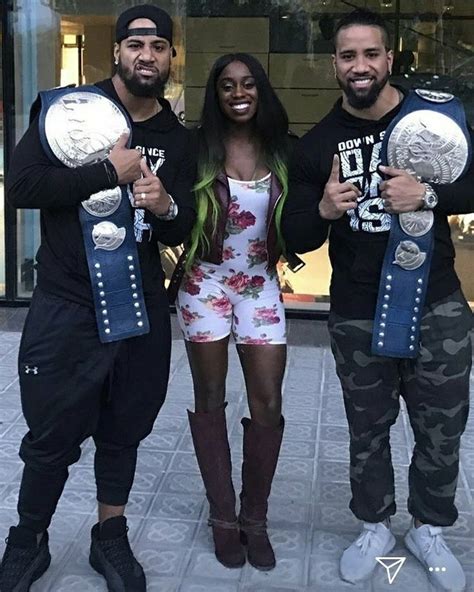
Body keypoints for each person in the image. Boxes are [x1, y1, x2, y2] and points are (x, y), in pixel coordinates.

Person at [0, 4, 195, 592]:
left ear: (169, 58)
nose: (147, 55)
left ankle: (109, 536)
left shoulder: (177, 138)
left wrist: (164, 209)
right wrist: (106, 172)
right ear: (117, 51)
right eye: (136, 44)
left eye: (159, 46)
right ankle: (27, 541)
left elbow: (181, 227)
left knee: (123, 428)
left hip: (138, 308)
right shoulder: (68, 109)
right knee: (50, 434)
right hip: (67, 303)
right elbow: (23, 185)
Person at [282, 8, 473, 592]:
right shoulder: (317, 144)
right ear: (335, 65)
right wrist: (321, 210)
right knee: (368, 428)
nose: (360, 66)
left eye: (370, 54)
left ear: (390, 59)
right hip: (358, 309)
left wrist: (430, 192)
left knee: (441, 423)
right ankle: (374, 524)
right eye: (348, 56)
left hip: (436, 302)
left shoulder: (433, 118)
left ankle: (429, 528)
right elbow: (294, 235)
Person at [172, 52, 300, 571]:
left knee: (267, 399)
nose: (238, 93)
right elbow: (174, 212)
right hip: (204, 284)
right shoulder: (197, 149)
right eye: (226, 86)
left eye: (247, 84)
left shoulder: (282, 149)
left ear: (260, 90)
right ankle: (223, 516)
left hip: (260, 286)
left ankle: (255, 516)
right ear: (216, 95)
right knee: (210, 396)